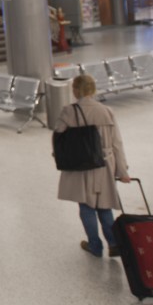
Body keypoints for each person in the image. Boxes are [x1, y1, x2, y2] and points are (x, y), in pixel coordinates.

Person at [54, 74, 131, 257]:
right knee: (104, 205)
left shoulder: (69, 111)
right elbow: (116, 143)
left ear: (76, 90)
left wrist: (61, 157)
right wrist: (122, 171)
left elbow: (58, 136)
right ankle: (113, 243)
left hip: (82, 163)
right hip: (105, 163)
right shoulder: (106, 111)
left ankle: (95, 246)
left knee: (86, 206)